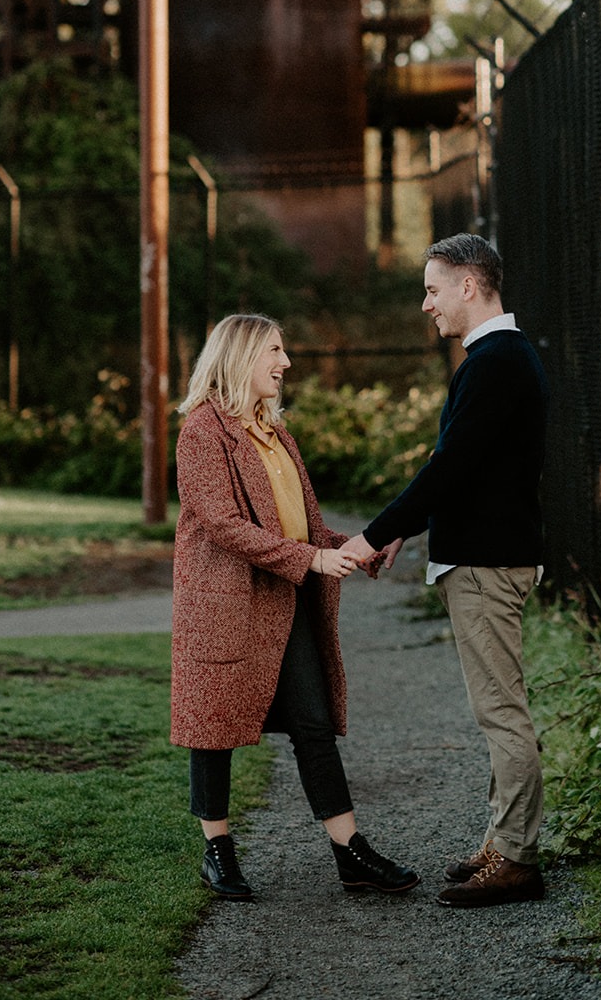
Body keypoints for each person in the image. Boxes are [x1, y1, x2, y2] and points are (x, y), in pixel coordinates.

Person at [171, 312, 419, 901]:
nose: (285, 363)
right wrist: (309, 560)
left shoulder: (277, 434)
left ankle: (352, 854)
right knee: (214, 728)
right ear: (241, 356)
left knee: (313, 724)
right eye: (275, 352)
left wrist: (354, 546)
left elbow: (301, 526)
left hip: (285, 601)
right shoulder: (203, 431)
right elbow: (224, 525)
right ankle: (217, 852)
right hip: (226, 603)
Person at [340, 233, 548, 908]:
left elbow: (452, 467)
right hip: (483, 558)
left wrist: (376, 533)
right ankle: (503, 840)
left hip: (488, 563)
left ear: (468, 285)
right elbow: (462, 469)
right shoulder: (495, 360)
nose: (425, 304)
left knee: (501, 713)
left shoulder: (497, 363)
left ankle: (516, 860)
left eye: (433, 289)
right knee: (497, 710)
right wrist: (405, 526)